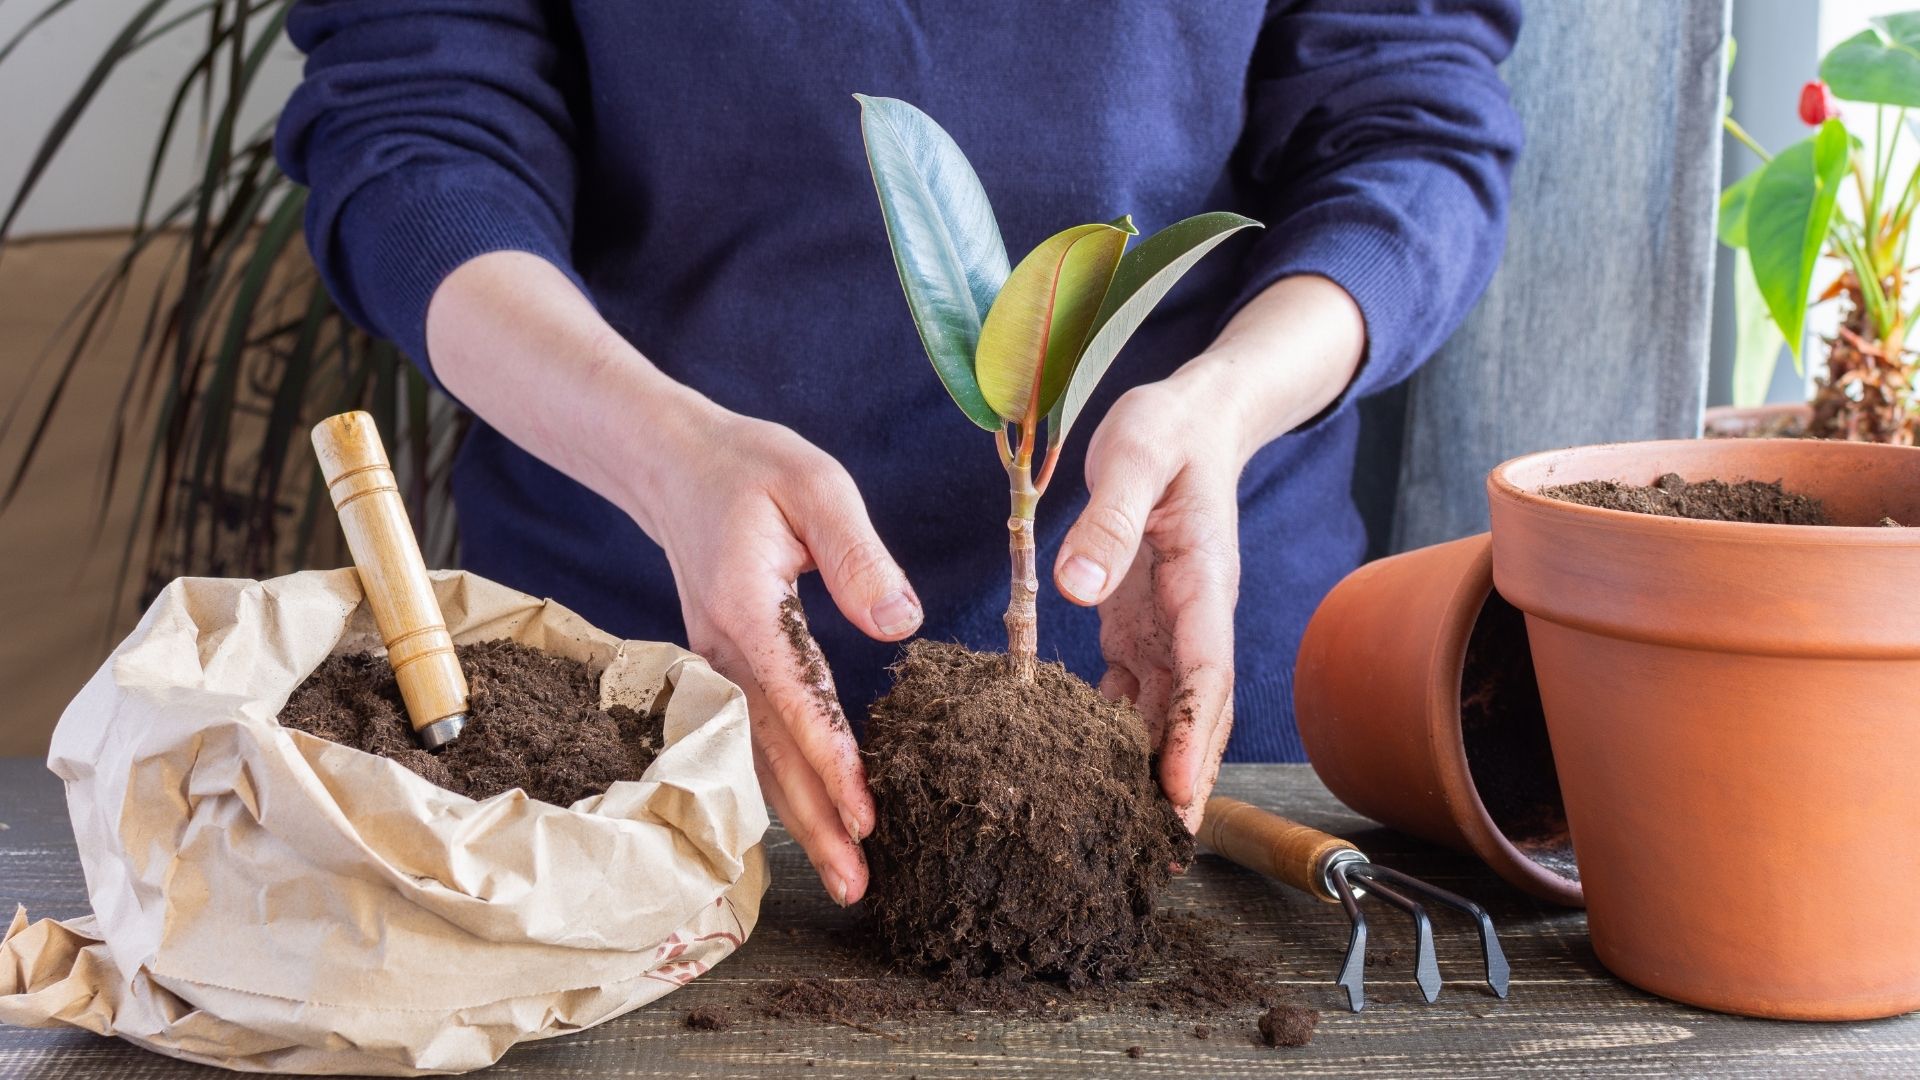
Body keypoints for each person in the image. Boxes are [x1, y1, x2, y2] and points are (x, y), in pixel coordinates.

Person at [277, 1, 1522, 907]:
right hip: (626, 700)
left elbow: (1408, 120)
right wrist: (660, 452)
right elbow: (414, 123)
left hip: (1191, 676)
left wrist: (1230, 398)